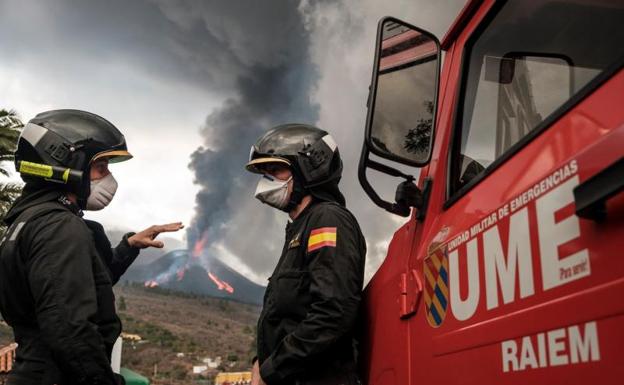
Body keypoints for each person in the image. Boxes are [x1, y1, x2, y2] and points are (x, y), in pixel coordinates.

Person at [0, 109, 183, 385]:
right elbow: (69, 330)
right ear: (68, 163)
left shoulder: (27, 222)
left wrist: (128, 247)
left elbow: (78, 285)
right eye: (101, 166)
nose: (108, 177)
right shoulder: (59, 227)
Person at [246, 124, 366, 385]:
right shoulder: (298, 229)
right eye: (264, 172)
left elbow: (333, 312)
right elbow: (289, 315)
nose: (267, 180)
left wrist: (271, 370)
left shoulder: (327, 219)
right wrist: (261, 361)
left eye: (276, 170)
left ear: (309, 168)